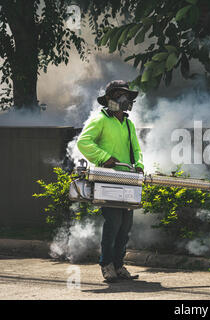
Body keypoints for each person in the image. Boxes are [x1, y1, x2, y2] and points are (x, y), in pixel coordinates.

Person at [77, 80, 144, 282]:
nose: (124, 100)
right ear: (109, 99)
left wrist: (139, 164)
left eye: (127, 96)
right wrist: (103, 157)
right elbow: (83, 142)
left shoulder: (128, 123)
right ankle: (107, 265)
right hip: (108, 179)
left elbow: (136, 150)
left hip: (129, 178)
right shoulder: (101, 119)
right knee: (113, 222)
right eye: (119, 95)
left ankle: (119, 265)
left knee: (125, 225)